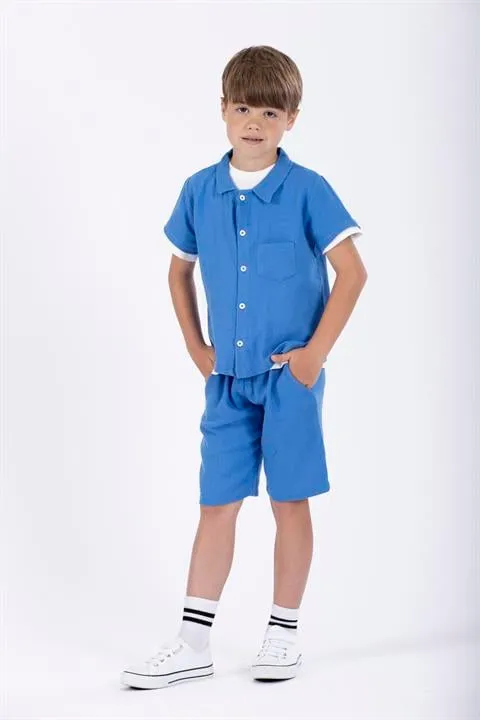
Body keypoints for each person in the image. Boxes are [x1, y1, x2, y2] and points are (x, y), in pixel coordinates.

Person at [121, 45, 367, 690]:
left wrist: (314, 356)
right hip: (226, 382)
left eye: (269, 112)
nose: (254, 122)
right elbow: (178, 271)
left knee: (289, 501)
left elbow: (352, 274)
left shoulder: (309, 190)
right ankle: (192, 641)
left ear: (291, 119)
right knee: (217, 504)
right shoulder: (198, 191)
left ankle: (283, 634)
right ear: (224, 111)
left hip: (289, 381)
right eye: (242, 109)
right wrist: (195, 347)